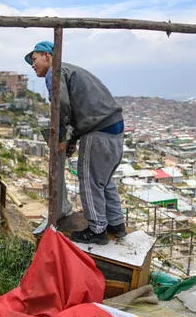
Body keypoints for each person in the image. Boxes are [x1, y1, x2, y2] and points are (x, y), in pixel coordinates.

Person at [25, 41, 126, 245]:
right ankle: (116, 224)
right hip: (114, 129)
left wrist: (61, 138)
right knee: (104, 181)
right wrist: (72, 140)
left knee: (89, 180)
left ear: (47, 56)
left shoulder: (54, 73)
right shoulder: (73, 71)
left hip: (97, 132)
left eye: (34, 59)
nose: (32, 65)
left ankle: (97, 230)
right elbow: (81, 110)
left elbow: (60, 106)